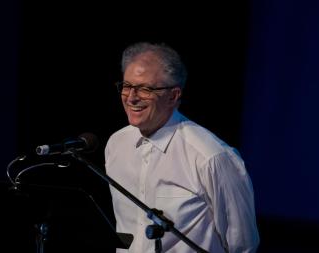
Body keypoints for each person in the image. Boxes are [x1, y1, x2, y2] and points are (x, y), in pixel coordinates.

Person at [104, 42, 259, 253]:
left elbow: (242, 246)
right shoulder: (116, 145)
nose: (131, 97)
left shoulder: (212, 157)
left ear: (173, 96)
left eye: (145, 88)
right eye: (127, 85)